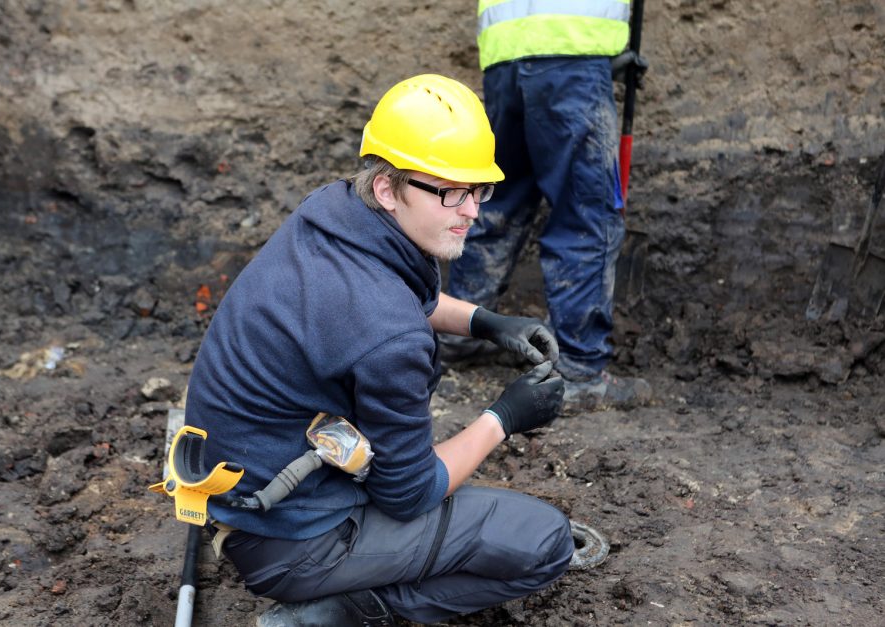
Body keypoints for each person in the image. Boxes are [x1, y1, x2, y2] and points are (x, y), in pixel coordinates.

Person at [184, 74, 607, 627]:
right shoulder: (387, 331)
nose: (472, 211)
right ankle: (337, 612)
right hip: (292, 542)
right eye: (451, 192)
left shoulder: (332, 213)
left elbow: (394, 301)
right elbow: (412, 494)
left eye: (478, 190)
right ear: (389, 189)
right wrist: (504, 416)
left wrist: (485, 321)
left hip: (245, 487)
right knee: (543, 541)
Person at [441, 0, 651, 409]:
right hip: (573, 51)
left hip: (506, 53)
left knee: (496, 204)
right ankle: (578, 368)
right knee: (585, 215)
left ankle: (459, 337)